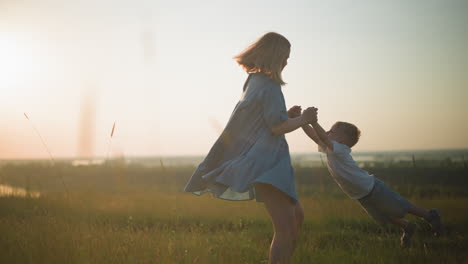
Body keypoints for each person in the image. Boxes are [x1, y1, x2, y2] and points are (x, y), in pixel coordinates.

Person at [184, 32, 317, 263]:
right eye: (285, 56)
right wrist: (305, 118)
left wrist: (289, 115)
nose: (287, 61)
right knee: (286, 228)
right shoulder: (270, 86)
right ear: (274, 55)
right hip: (267, 165)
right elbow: (276, 127)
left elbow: (263, 122)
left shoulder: (254, 81)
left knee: (296, 218)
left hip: (271, 162)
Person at [295, 110, 444, 248]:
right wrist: (302, 120)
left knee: (399, 205)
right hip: (361, 195)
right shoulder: (330, 148)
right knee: (385, 217)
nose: (327, 132)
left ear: (343, 140)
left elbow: (320, 134)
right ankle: (408, 227)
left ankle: (429, 215)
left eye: (332, 131)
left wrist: (313, 121)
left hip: (372, 188)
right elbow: (315, 136)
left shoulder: (339, 149)